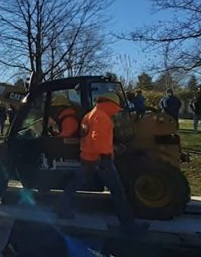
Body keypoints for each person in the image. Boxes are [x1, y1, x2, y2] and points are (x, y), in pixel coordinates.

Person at [55, 92, 149, 233]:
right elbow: (97, 138)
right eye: (117, 106)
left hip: (87, 157)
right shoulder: (102, 117)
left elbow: (90, 138)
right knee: (117, 191)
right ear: (111, 104)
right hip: (101, 160)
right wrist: (106, 153)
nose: (118, 109)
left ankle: (62, 208)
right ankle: (128, 224)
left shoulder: (90, 114)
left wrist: (110, 148)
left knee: (75, 184)